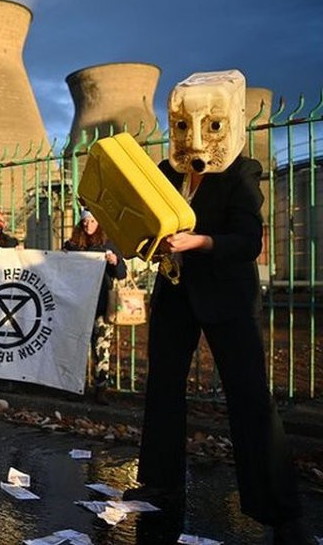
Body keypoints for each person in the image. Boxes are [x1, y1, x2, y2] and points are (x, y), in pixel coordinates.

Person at [124, 70, 307, 543]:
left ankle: (280, 512)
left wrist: (200, 241)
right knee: (163, 389)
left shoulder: (242, 172)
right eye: (183, 126)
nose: (193, 137)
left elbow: (247, 242)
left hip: (226, 295)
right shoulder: (165, 173)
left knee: (249, 398)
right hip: (176, 295)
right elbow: (143, 224)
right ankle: (161, 484)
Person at [63, 209, 126, 404]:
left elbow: (121, 273)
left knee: (101, 348)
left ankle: (101, 388)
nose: (88, 225)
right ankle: (75, 386)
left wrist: (114, 262)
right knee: (75, 347)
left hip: (101, 306)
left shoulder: (108, 244)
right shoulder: (72, 246)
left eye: (92, 221)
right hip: (77, 304)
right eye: (85, 222)